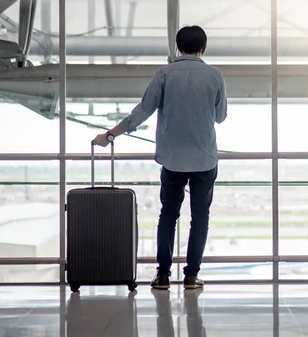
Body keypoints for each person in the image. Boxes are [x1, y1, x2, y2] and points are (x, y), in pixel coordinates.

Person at [93, 25, 228, 290]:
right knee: (200, 218)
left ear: (178, 47)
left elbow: (142, 111)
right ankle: (191, 276)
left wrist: (110, 135)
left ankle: (163, 275)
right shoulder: (215, 76)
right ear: (203, 47)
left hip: (172, 160)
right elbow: (220, 117)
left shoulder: (164, 74)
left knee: (168, 216)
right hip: (204, 160)